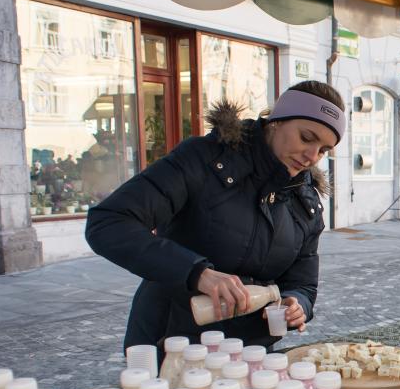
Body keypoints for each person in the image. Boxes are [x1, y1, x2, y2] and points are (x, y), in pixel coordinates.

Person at [85, 81, 343, 352]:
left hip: (251, 355)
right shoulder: (203, 159)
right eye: (306, 137)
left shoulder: (305, 202)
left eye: (324, 150)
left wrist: (296, 303)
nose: (312, 156)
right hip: (174, 346)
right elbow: (108, 222)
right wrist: (197, 273)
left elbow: (303, 283)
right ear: (276, 121)